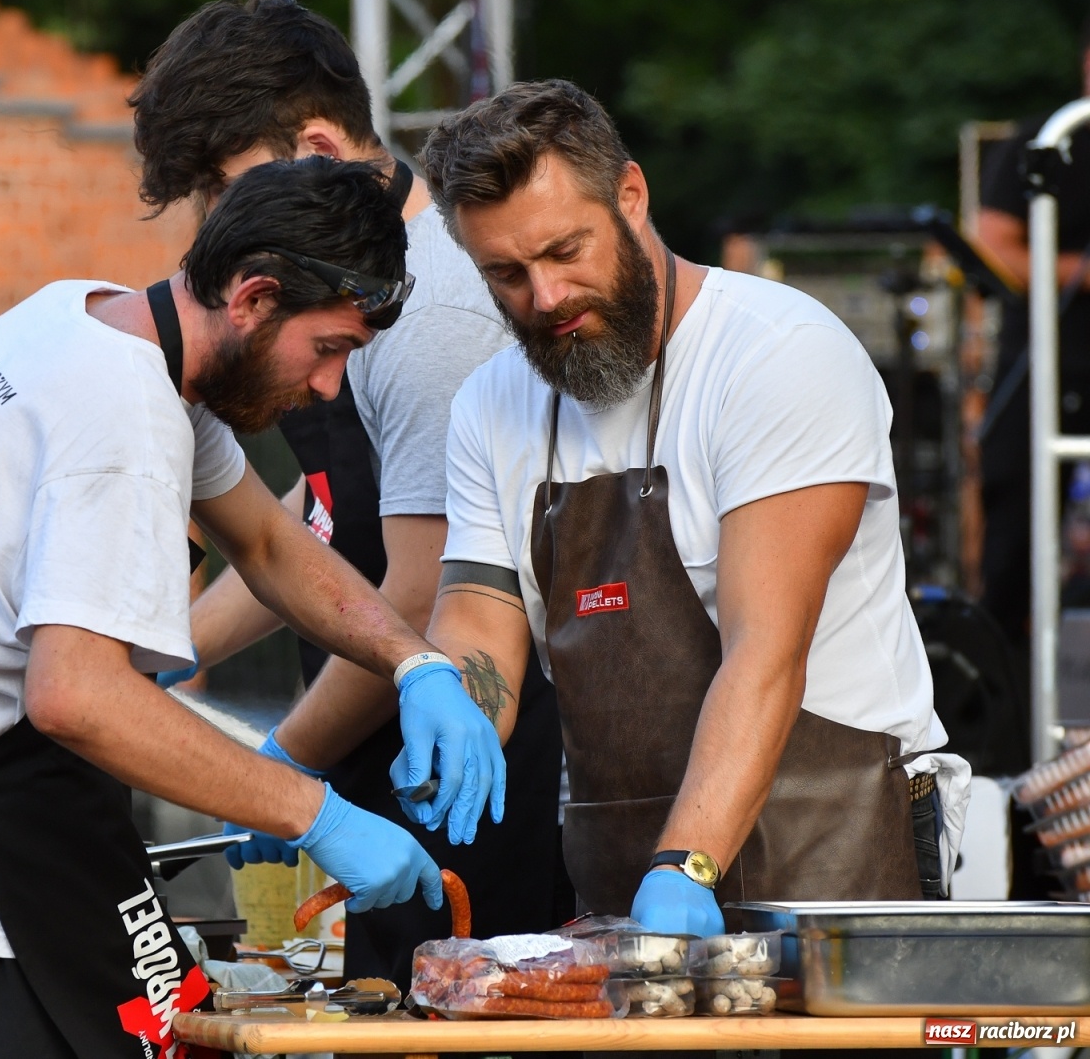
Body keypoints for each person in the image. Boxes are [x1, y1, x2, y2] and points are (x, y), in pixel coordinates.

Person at [0, 156, 505, 1059]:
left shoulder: (86, 319)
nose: (328, 389)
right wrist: (316, 813)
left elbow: (271, 545)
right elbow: (76, 697)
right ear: (252, 298)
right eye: (329, 349)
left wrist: (415, 662)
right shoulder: (120, 422)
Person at [414, 80, 970, 936]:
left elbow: (765, 654)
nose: (546, 296)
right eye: (507, 275)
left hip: (834, 848)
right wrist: (448, 698)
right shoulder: (491, 405)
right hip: (624, 867)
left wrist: (686, 868)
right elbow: (480, 618)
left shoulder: (781, 355)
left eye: (567, 251)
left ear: (631, 197)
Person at [129, 0, 573, 988]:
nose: (216, 226)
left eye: (224, 188)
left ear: (323, 149)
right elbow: (325, 514)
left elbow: (418, 595)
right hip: (374, 755)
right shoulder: (325, 292)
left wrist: (284, 766)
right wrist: (176, 650)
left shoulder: (428, 321)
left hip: (475, 777)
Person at [977, 13, 1090, 645]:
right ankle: (1004, 699)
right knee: (1015, 537)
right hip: (1046, 366)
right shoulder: (1048, 142)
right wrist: (1078, 270)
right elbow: (992, 247)